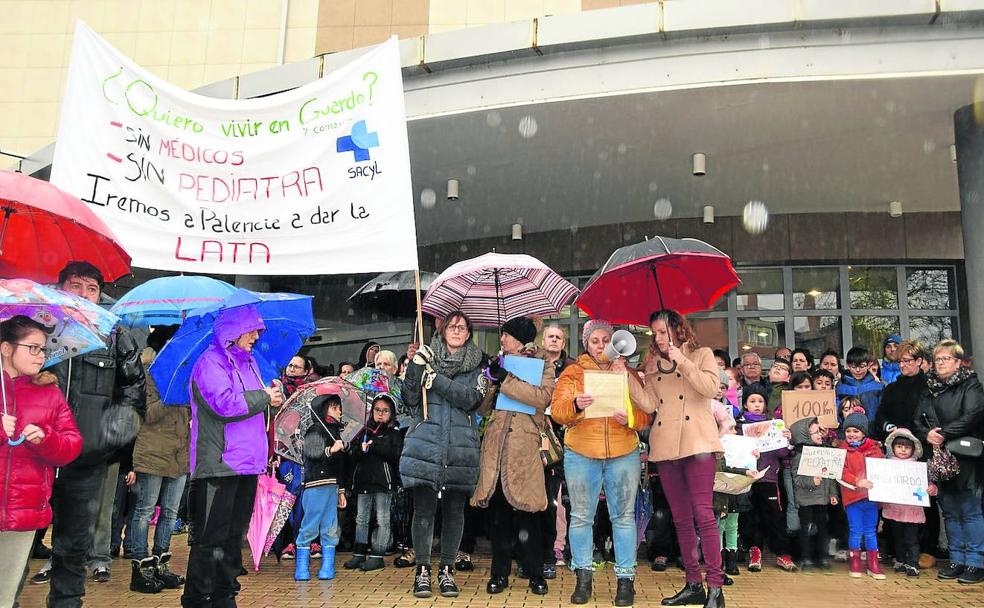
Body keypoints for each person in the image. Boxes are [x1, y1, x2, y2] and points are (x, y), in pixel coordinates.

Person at [41, 261, 146, 605]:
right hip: (33, 453)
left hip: (85, 456)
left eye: (92, 288)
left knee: (74, 543)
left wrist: (111, 441)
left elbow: (132, 390)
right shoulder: (38, 326)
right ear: (60, 288)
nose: (85, 294)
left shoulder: (113, 333)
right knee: (19, 537)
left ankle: (67, 602)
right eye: (76, 285)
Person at [181, 304, 284, 608]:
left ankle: (225, 597)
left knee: (232, 539)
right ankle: (198, 600)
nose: (256, 335)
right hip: (219, 466)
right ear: (233, 330)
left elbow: (250, 406)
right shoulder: (209, 363)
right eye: (251, 329)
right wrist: (263, 397)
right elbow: (225, 404)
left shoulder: (250, 363)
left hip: (248, 465)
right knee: (209, 540)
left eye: (257, 329)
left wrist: (271, 396)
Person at [551, 319, 653, 608]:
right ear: (586, 344)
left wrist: (630, 419)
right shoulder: (573, 372)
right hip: (582, 452)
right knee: (582, 516)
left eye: (605, 339)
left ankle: (625, 580)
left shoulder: (627, 371)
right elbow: (557, 411)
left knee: (622, 517)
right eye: (594, 340)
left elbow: (646, 414)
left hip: (623, 452)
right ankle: (583, 579)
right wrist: (575, 406)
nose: (600, 345)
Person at [400, 311, 488, 599]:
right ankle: (423, 570)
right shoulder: (425, 358)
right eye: (452, 325)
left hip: (459, 447)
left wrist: (435, 379)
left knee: (454, 513)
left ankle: (447, 569)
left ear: (469, 334)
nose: (457, 329)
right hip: (426, 444)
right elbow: (409, 398)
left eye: (462, 326)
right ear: (442, 330)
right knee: (423, 512)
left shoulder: (478, 365)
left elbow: (470, 399)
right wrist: (415, 367)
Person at [0, 316, 82, 607]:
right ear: (6, 348)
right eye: (32, 348)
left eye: (43, 349)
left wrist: (45, 439)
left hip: (23, 511)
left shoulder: (49, 392)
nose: (41, 356)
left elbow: (71, 445)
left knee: (5, 596)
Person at [472, 316, 555, 596]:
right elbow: (483, 409)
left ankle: (535, 573)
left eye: (506, 335)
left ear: (519, 339)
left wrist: (508, 381)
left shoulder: (544, 364)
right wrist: (491, 381)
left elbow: (541, 398)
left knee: (528, 514)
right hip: (496, 447)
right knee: (499, 517)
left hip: (524, 448)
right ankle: (499, 573)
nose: (503, 340)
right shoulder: (499, 363)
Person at [914, 339, 984, 585]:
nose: (940, 364)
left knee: (970, 511)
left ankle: (976, 561)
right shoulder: (930, 388)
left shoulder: (971, 385)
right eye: (937, 359)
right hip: (940, 456)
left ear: (957, 362)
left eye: (946, 359)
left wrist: (944, 432)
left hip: (965, 457)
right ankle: (956, 559)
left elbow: (972, 415)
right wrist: (927, 434)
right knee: (950, 512)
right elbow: (918, 419)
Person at [128, 326, 188, 594]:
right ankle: (141, 567)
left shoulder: (184, 375)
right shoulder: (148, 374)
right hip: (152, 451)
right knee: (144, 511)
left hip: (179, 453)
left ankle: (161, 563)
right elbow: (149, 414)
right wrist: (170, 395)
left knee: (171, 513)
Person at [736, 386, 796, 574]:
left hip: (768, 477)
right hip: (745, 477)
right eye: (752, 401)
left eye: (760, 401)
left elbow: (783, 453)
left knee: (774, 516)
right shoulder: (738, 426)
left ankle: (782, 553)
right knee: (749, 516)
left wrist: (787, 440)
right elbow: (731, 450)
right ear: (745, 403)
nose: (756, 405)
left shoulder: (774, 424)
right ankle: (754, 550)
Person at [344, 395, 402, 572]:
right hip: (363, 481)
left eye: (385, 411)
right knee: (361, 518)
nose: (380, 414)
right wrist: (360, 450)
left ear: (391, 413)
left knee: (382, 519)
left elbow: (395, 455)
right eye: (377, 410)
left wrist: (374, 445)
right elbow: (353, 456)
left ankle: (377, 554)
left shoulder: (395, 432)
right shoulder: (363, 431)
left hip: (383, 483)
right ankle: (359, 553)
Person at [294, 394, 348, 581]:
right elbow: (311, 453)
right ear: (323, 410)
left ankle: (328, 566)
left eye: (339, 407)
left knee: (330, 526)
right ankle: (301, 567)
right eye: (334, 407)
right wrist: (330, 450)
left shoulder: (336, 433)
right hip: (315, 485)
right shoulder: (315, 429)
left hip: (332, 488)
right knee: (310, 524)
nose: (339, 411)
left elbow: (340, 467)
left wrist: (341, 490)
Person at [882, 428, 937, 577]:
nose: (903, 450)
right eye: (899, 446)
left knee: (911, 539)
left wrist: (932, 489)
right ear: (892, 447)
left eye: (907, 447)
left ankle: (913, 563)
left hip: (912, 511)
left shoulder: (918, 467)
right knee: (898, 537)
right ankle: (900, 560)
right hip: (894, 510)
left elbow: (929, 483)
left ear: (913, 448)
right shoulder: (886, 466)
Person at [839, 411, 886, 579]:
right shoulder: (842, 450)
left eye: (856, 431)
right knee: (856, 530)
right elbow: (841, 472)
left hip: (871, 498)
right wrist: (857, 481)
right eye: (848, 431)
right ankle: (855, 561)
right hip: (852, 498)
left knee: (871, 530)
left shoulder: (875, 450)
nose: (851, 435)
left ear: (864, 432)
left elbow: (883, 471)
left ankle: (873, 563)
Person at [790, 416, 838, 571]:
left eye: (819, 432)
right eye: (815, 432)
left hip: (822, 499)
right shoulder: (799, 456)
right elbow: (796, 479)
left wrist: (833, 494)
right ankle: (806, 557)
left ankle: (822, 556)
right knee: (806, 528)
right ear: (804, 436)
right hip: (806, 499)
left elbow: (831, 477)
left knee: (823, 528)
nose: (819, 435)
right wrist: (811, 482)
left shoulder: (824, 452)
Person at [873, 340, 927, 441]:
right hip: (894, 443)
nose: (902, 365)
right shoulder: (891, 388)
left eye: (906, 361)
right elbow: (880, 414)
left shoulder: (928, 387)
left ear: (918, 361)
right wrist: (887, 425)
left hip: (922, 443)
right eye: (900, 361)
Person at [836, 347, 884, 420]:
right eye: (853, 366)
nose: (858, 370)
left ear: (868, 365)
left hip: (872, 429)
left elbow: (883, 412)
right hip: (847, 429)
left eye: (862, 366)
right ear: (847, 365)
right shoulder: (840, 388)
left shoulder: (878, 387)